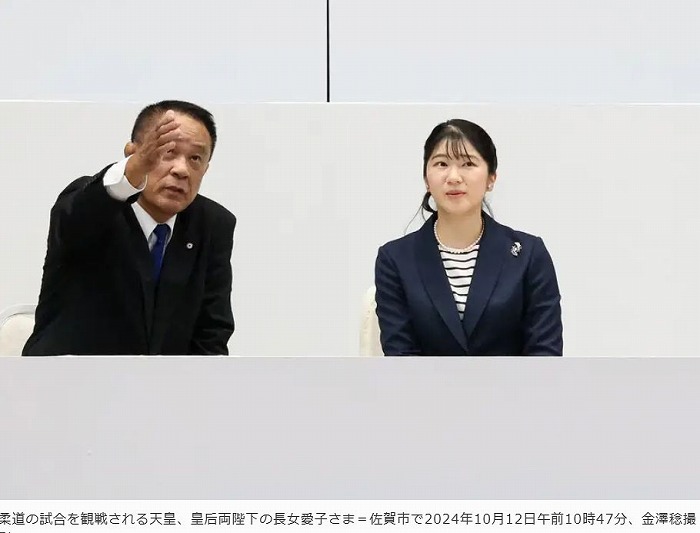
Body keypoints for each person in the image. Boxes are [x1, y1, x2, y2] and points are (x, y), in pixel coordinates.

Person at [23, 100, 236, 355]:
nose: (181, 170)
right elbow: (70, 223)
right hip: (66, 375)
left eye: (195, 158)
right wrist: (133, 170)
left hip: (163, 380)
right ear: (132, 153)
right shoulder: (94, 203)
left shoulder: (212, 224)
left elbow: (212, 331)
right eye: (168, 151)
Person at [374, 119, 562, 356]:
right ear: (426, 179)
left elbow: (545, 355)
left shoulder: (529, 255)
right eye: (441, 164)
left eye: (468, 164)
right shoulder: (395, 259)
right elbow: (400, 356)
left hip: (516, 382)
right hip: (421, 382)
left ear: (491, 178)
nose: (453, 177)